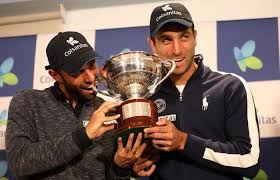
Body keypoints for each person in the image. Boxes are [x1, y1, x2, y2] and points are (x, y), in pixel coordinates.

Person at [133, 3, 260, 180]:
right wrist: (133, 166)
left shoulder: (230, 86)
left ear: (195, 36)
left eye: (184, 37)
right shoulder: (145, 96)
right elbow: (135, 161)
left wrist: (184, 141)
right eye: (166, 40)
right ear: (152, 44)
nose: (177, 50)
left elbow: (249, 161)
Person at [5, 31, 146, 179]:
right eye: (77, 72)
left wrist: (120, 167)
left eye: (91, 65)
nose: (90, 77)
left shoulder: (108, 109)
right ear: (55, 75)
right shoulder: (28, 102)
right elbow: (20, 163)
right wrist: (85, 135)